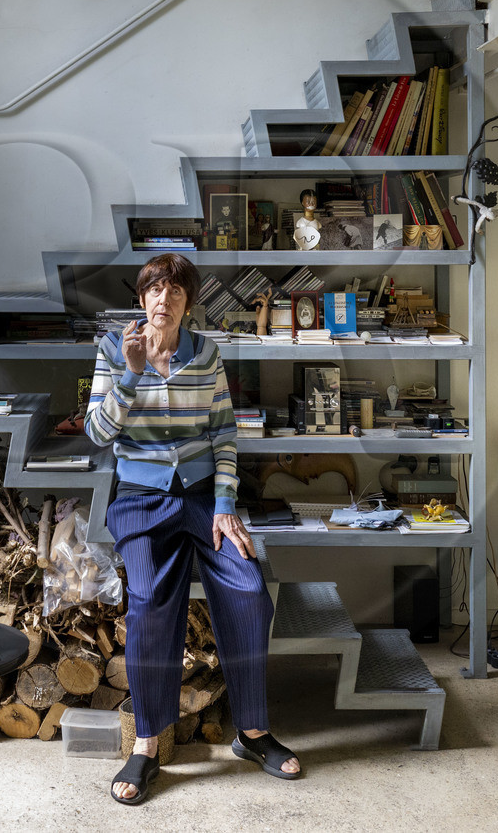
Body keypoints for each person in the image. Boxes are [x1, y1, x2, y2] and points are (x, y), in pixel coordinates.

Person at [87, 252, 302, 805]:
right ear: (142, 299)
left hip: (206, 499)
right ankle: (148, 744)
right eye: (156, 290)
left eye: (176, 292)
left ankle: (253, 733)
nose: (165, 299)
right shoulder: (114, 351)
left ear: (188, 302)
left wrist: (226, 504)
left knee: (249, 591)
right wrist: (131, 375)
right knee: (152, 601)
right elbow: (97, 432)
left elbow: (225, 434)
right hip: (139, 500)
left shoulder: (205, 353)